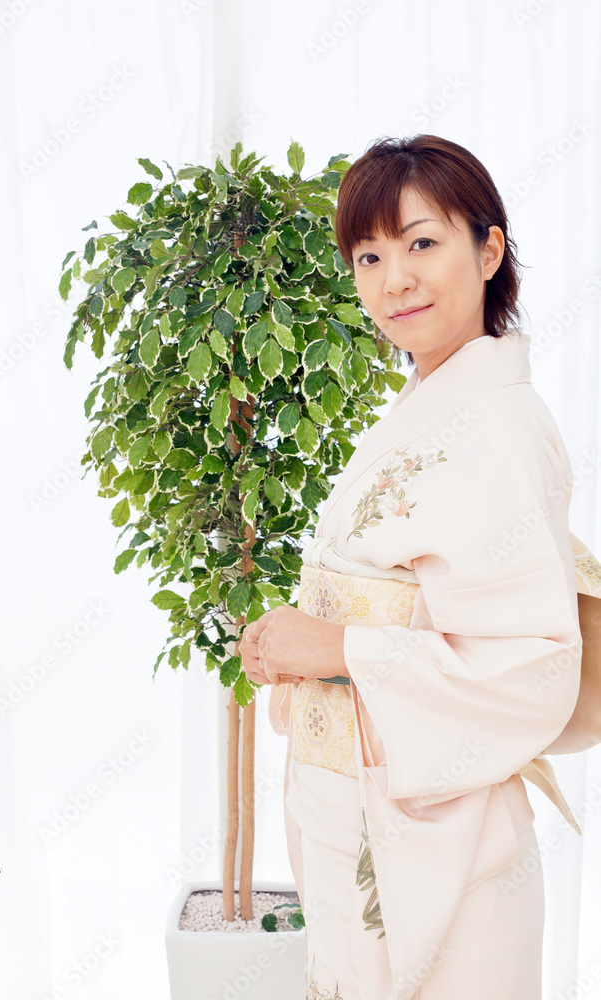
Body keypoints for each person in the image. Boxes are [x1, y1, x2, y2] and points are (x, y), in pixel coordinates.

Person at [238, 134, 601, 1000]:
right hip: (358, 807)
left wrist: (335, 648)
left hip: (446, 840)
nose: (394, 279)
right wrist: (292, 644)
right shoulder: (430, 407)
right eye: (369, 256)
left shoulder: (499, 427)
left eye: (422, 243)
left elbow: (531, 669)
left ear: (489, 250)